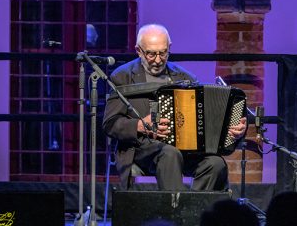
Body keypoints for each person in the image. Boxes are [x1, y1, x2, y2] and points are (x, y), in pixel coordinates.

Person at [103, 23, 247, 190]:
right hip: (142, 148)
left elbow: (206, 119)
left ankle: (193, 212)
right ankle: (175, 212)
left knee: (215, 164)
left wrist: (232, 130)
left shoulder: (185, 77)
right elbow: (110, 123)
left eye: (163, 53)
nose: (157, 60)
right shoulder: (123, 76)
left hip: (186, 151)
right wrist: (140, 125)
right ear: (138, 50)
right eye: (151, 54)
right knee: (170, 153)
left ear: (169, 48)